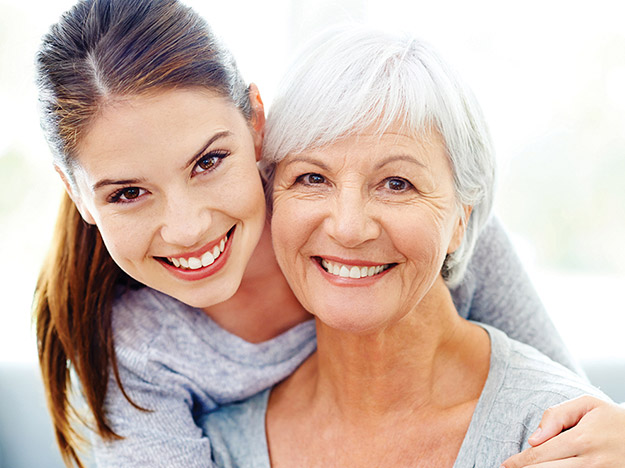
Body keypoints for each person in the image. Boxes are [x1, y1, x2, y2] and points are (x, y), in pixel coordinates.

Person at [33, 1, 624, 467]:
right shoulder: (130, 350)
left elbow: (568, 413)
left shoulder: (407, 219)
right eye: (127, 193)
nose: (188, 229)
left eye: (208, 162)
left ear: (256, 125)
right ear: (75, 191)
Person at [200, 26, 617, 467]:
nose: (348, 227)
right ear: (271, 200)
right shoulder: (224, 443)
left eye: (397, 184)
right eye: (312, 178)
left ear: (462, 219)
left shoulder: (566, 439)